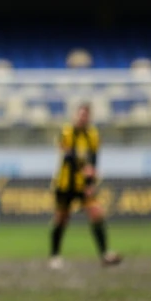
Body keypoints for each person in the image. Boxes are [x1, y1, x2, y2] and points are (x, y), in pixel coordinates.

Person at [49, 103, 122, 269]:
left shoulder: (93, 135)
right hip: (65, 184)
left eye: (85, 115)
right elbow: (66, 156)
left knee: (97, 213)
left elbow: (94, 158)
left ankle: (105, 254)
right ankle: (55, 255)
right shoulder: (66, 132)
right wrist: (84, 168)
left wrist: (90, 182)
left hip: (83, 186)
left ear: (89, 117)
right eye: (80, 114)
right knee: (61, 218)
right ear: (75, 115)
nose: (82, 118)